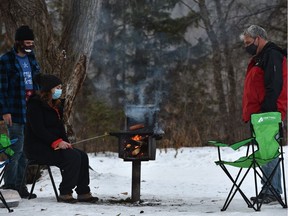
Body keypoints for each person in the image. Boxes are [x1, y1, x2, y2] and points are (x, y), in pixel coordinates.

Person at [24, 73, 99, 203]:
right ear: (48, 89)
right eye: (57, 87)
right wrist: (57, 142)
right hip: (38, 147)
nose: (60, 90)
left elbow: (59, 129)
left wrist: (66, 143)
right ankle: (65, 192)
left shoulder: (56, 106)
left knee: (81, 156)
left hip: (53, 146)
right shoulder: (34, 105)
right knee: (72, 157)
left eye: (60, 87)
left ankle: (83, 191)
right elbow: (38, 130)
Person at [240, 25, 287, 204]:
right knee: (265, 153)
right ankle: (268, 189)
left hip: (267, 114)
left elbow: (274, 85)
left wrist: (267, 113)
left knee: (269, 152)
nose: (246, 47)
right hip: (258, 115)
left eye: (248, 42)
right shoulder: (260, 58)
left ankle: (273, 191)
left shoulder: (272, 55)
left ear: (258, 38)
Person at [0, 25, 40, 198]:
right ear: (18, 42)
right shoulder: (6, 60)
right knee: (15, 151)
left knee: (25, 152)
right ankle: (9, 187)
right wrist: (5, 111)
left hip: (31, 110)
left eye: (31, 42)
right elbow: (1, 88)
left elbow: (37, 79)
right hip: (15, 110)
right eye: (26, 42)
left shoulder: (32, 58)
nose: (29, 45)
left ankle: (20, 187)